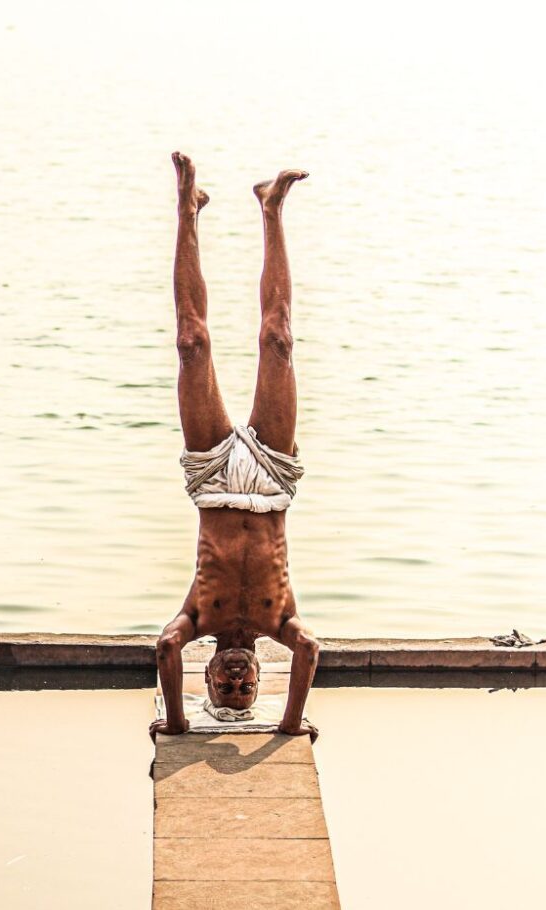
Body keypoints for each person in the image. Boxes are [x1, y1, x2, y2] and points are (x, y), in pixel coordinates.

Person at [150, 152, 320, 741]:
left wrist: (176, 722)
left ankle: (187, 210)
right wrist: (288, 725)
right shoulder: (283, 623)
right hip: (272, 482)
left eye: (225, 688)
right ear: (258, 679)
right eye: (246, 689)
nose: (236, 683)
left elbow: (163, 646)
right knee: (279, 339)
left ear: (208, 675)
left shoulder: (196, 620)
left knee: (191, 341)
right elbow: (312, 650)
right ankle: (271, 209)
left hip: (214, 481)